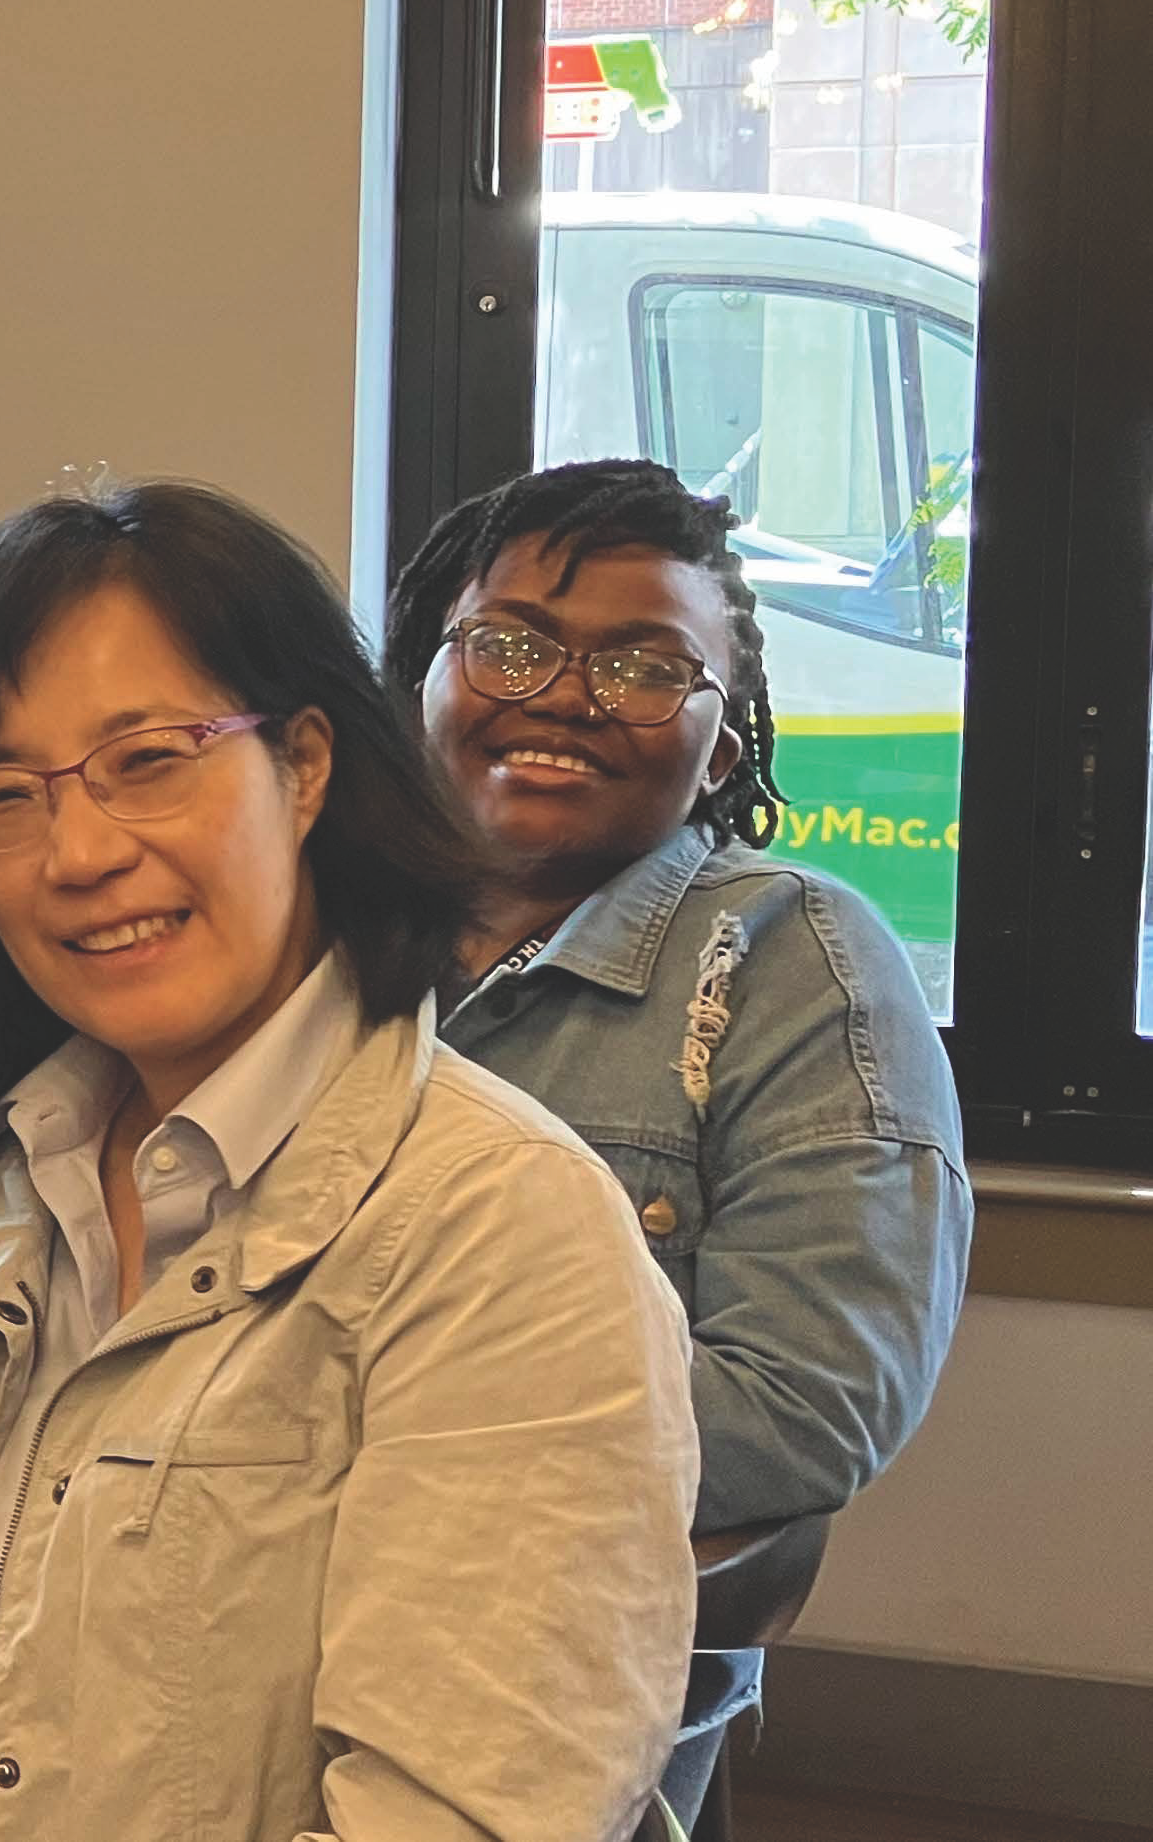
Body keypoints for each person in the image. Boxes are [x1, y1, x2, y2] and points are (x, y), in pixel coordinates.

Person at [0, 481, 699, 1838]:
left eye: (150, 759)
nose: (79, 851)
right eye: (6, 792)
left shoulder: (505, 1236)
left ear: (304, 766)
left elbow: (455, 1815)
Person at [385, 458, 971, 1826]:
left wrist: (353, 1436)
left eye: (649, 668)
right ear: (423, 680)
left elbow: (805, 1402)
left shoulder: (791, 962)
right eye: (510, 645)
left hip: (544, 1679)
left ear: (720, 744)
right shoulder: (298, 948)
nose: (567, 698)